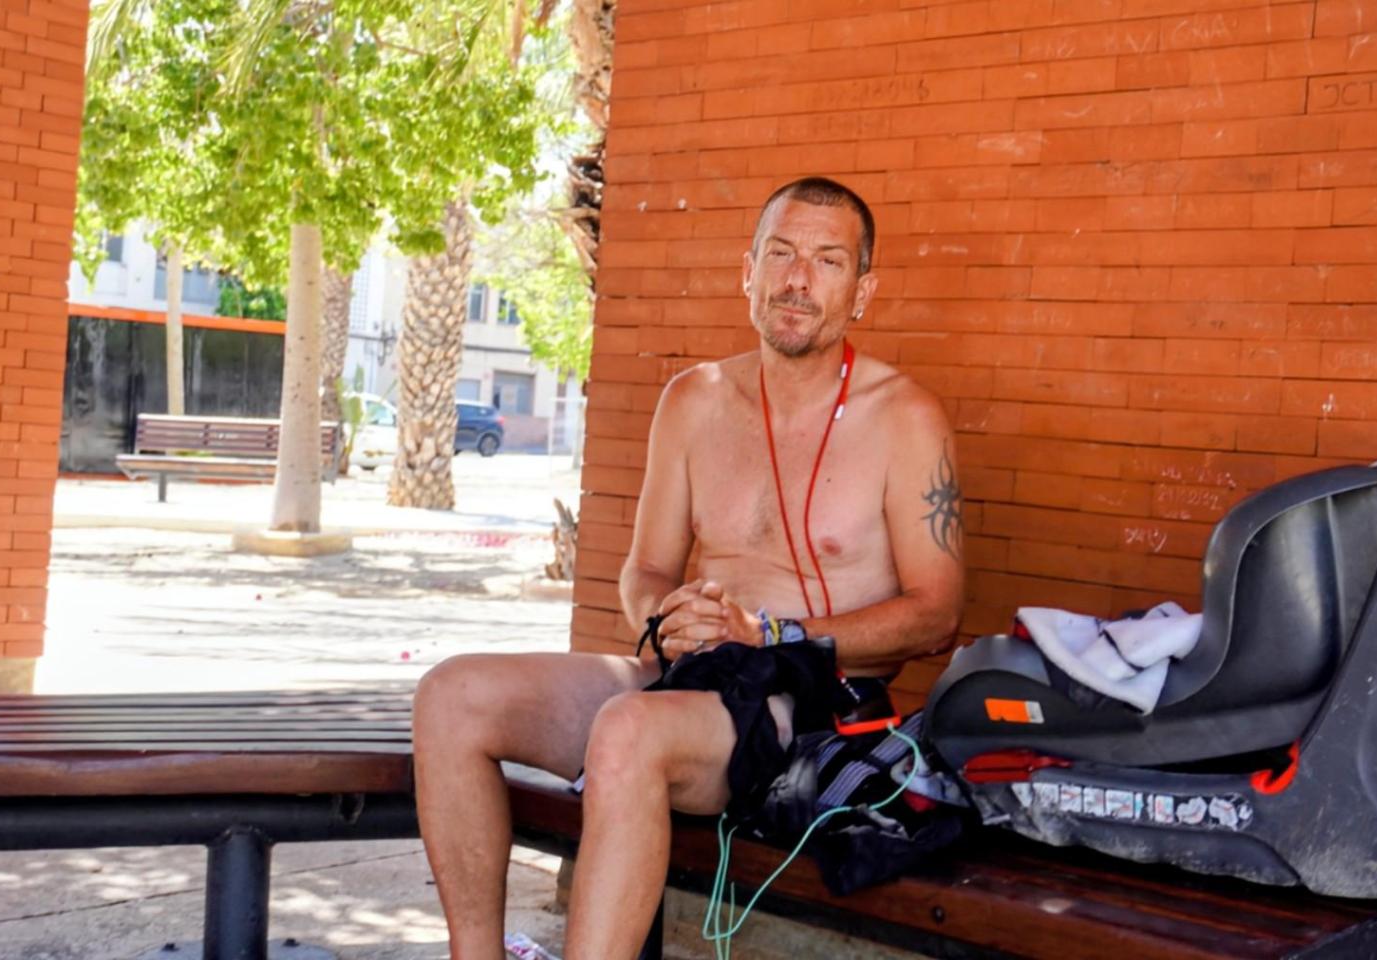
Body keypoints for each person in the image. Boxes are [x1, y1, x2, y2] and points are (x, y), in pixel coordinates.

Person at [412, 176, 966, 960]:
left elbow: (937, 615)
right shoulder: (693, 400)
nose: (797, 279)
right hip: (694, 681)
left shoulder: (905, 417)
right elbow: (644, 570)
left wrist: (769, 630)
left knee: (629, 733)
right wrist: (671, 616)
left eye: (827, 261)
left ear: (862, 290)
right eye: (779, 253)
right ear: (748, 272)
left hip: (810, 703)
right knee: (452, 695)